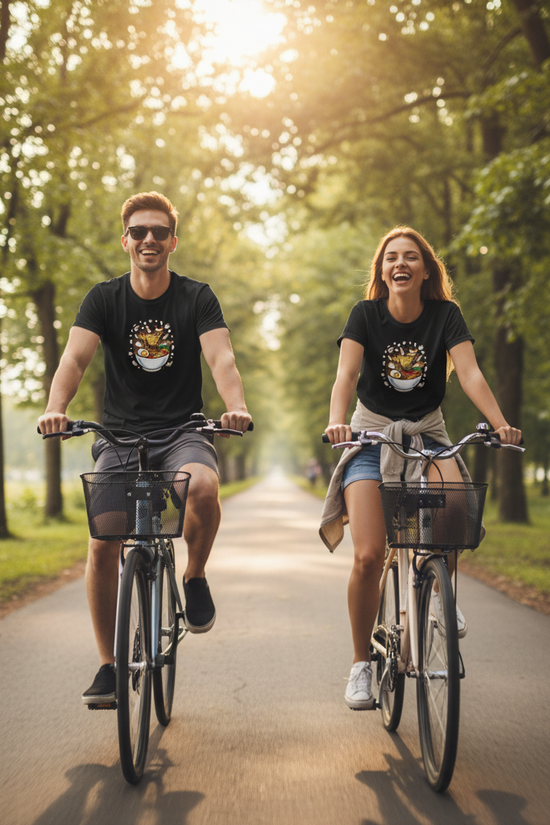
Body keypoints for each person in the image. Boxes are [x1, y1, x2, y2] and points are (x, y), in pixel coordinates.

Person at [38, 191, 252, 705]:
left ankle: (194, 575)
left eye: (159, 232)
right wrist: (55, 407)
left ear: (173, 242)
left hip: (183, 431)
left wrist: (236, 406)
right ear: (126, 241)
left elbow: (221, 358)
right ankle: (108, 666)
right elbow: (74, 360)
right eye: (139, 231)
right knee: (102, 542)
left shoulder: (196, 297)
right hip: (119, 435)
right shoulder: (103, 299)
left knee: (204, 487)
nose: (149, 239)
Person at [320, 226, 522, 711]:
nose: (401, 263)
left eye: (411, 256)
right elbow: (346, 374)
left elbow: (469, 373)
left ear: (426, 270)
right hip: (371, 436)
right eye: (391, 257)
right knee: (369, 555)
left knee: (452, 516)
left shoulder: (446, 315)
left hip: (428, 432)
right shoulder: (365, 314)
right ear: (382, 270)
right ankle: (360, 664)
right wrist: (336, 421)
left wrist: (500, 424)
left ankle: (438, 596)